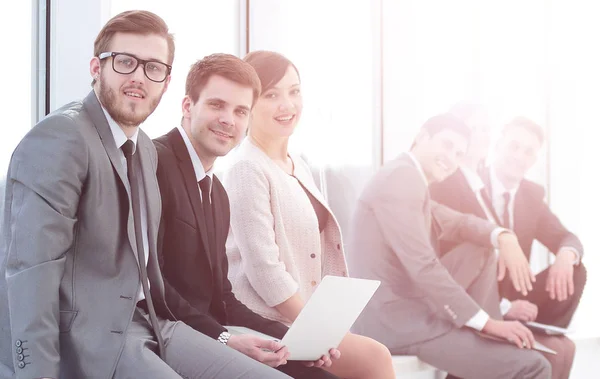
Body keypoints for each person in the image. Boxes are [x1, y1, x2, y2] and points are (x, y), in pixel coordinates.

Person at [0, 11, 290, 379]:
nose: (139, 76)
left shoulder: (144, 151)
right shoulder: (61, 138)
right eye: (125, 62)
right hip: (91, 339)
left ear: (166, 82)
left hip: (153, 324)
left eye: (153, 67)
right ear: (96, 67)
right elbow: (29, 275)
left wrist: (224, 339)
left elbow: (152, 278)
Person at [154, 53, 340, 379]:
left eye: (240, 111)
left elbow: (222, 297)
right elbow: (152, 283)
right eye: (216, 105)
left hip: (211, 330)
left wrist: (297, 342)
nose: (229, 120)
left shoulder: (216, 194)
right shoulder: (155, 162)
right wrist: (225, 339)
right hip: (167, 335)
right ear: (187, 106)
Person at [222, 50, 396, 379]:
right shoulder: (247, 168)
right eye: (271, 95)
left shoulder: (297, 164)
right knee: (376, 358)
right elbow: (264, 269)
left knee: (373, 357)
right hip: (264, 323)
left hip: (302, 319)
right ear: (249, 103)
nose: (287, 105)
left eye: (294, 91)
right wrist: (313, 330)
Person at [346, 114, 552, 378]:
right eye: (446, 145)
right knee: (534, 366)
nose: (451, 157)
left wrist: (501, 235)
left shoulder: (408, 177)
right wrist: (487, 323)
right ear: (421, 137)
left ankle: (480, 337)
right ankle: (482, 333)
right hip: (397, 324)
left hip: (408, 311)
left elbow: (456, 222)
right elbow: (423, 265)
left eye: (458, 153)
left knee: (482, 247)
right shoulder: (402, 178)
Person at [430, 114, 581, 378]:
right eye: (514, 146)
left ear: (534, 159)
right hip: (477, 297)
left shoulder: (530, 196)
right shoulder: (467, 186)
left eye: (528, 151)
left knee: (576, 277)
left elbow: (566, 237)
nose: (519, 156)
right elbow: (453, 260)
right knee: (556, 353)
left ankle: (536, 331)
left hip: (516, 296)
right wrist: (503, 307)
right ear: (498, 146)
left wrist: (566, 256)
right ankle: (516, 339)